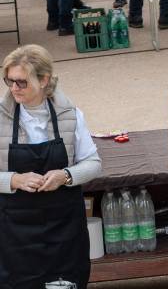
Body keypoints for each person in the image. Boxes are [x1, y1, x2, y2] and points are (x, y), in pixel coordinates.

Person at [0, 45, 102, 288]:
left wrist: (66, 175)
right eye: (9, 80)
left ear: (44, 80)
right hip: (15, 235)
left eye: (21, 82)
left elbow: (93, 163)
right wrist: (14, 180)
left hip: (64, 231)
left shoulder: (70, 114)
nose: (14, 88)